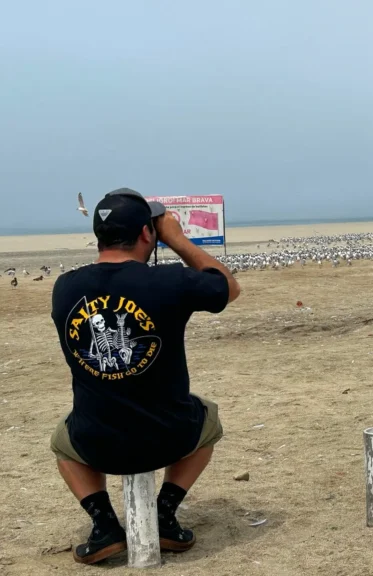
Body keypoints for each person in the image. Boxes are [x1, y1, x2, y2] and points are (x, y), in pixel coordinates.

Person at [49, 188, 241, 564]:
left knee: (62, 440)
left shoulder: (65, 287)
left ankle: (104, 526)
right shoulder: (171, 282)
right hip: (169, 436)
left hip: (96, 443)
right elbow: (229, 287)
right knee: (209, 419)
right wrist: (178, 239)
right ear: (146, 233)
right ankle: (164, 515)